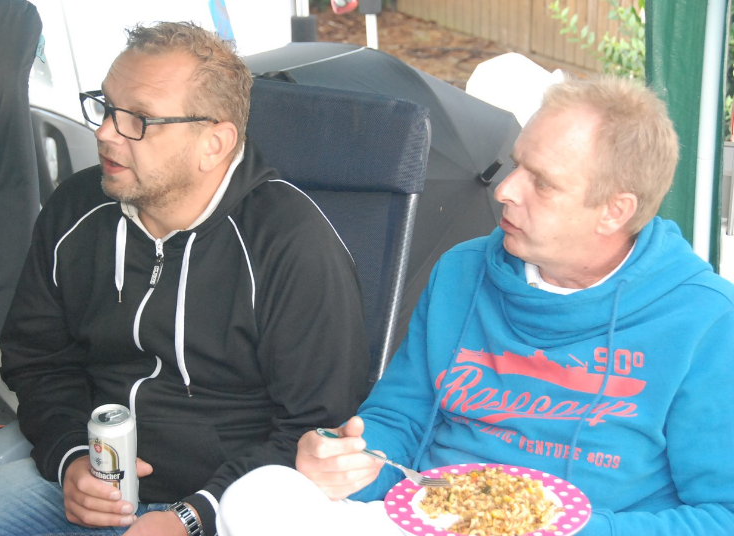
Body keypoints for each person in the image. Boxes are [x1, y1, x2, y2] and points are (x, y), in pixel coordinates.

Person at [216, 76, 734, 535]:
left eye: (542, 183)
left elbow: (722, 514)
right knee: (257, 496)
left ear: (614, 212)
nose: (505, 189)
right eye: (516, 164)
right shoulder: (463, 270)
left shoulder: (705, 320)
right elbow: (399, 418)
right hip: (430, 515)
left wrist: (563, 529)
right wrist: (352, 461)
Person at [0, 21, 370, 536]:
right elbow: (39, 360)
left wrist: (195, 516)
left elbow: (315, 432)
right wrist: (70, 458)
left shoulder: (292, 244)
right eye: (106, 106)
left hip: (232, 505)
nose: (104, 132)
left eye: (138, 119)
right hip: (80, 484)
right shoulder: (77, 209)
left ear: (214, 143)